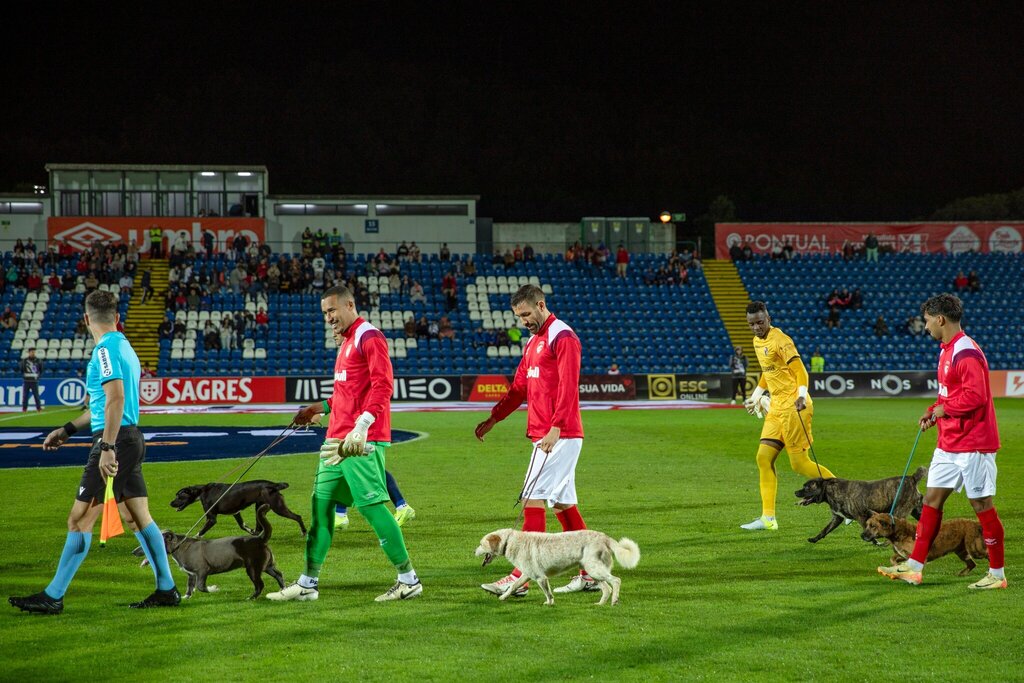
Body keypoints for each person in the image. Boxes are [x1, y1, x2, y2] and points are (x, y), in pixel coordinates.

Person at [8, 290, 179, 614]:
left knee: (79, 519)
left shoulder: (104, 350)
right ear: (118, 318)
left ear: (86, 319)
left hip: (116, 441)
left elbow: (116, 399)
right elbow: (102, 405)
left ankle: (53, 595)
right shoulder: (124, 347)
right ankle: (166, 589)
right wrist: (67, 429)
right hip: (129, 437)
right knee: (136, 517)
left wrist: (107, 447)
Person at [271, 285, 422, 603]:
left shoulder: (369, 336)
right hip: (335, 440)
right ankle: (307, 583)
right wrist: (318, 408)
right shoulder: (345, 342)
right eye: (324, 313)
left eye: (332, 310)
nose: (328, 317)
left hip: (359, 440)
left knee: (371, 507)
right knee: (321, 507)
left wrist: (362, 426)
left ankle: (408, 580)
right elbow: (346, 393)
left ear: (350, 305)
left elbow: (383, 385)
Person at [878, 293, 1006, 589]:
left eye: (927, 321)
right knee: (931, 501)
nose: (925, 327)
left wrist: (944, 410)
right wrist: (933, 412)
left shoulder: (966, 352)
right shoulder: (947, 350)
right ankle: (914, 567)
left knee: (982, 505)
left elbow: (976, 397)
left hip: (974, 443)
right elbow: (949, 393)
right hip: (948, 442)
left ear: (940, 319)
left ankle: (997, 574)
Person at [475, 285, 593, 597]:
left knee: (532, 498)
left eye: (526, 314)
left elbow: (569, 385)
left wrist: (556, 427)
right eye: (519, 316)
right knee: (563, 504)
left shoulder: (562, 336)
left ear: (541, 305)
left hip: (558, 435)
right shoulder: (532, 342)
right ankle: (590, 572)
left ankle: (521, 577)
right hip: (548, 434)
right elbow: (518, 389)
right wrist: (494, 418)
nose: (523, 321)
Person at [740, 301, 836, 531]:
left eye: (760, 322)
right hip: (776, 407)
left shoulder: (781, 340)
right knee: (763, 458)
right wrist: (756, 396)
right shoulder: (757, 341)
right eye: (752, 324)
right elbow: (768, 371)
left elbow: (800, 370)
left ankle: (847, 500)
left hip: (795, 406)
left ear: (769, 319)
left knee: (799, 464)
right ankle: (768, 519)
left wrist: (801, 395)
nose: (756, 327)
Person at [20, 347, 43, 411]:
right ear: (29, 352)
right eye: (32, 352)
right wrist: (24, 376)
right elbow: (22, 369)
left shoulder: (38, 360)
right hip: (26, 380)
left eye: (34, 352)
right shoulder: (24, 361)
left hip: (34, 381)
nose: (33, 353)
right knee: (25, 395)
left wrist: (38, 377)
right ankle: (24, 408)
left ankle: (38, 408)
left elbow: (41, 370)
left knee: (36, 395)